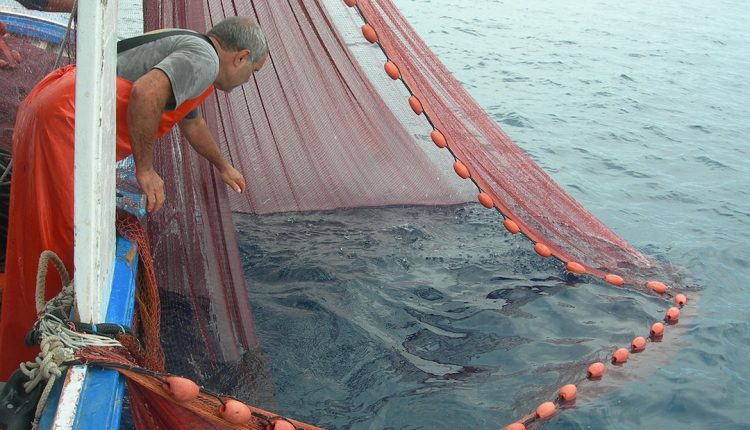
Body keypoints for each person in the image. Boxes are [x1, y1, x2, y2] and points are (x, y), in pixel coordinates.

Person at [0, 16, 269, 380]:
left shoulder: (192, 49)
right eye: (253, 70)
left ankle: (20, 345)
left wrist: (222, 165)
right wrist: (145, 169)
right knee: (55, 236)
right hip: (63, 122)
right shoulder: (204, 60)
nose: (246, 81)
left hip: (52, 108)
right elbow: (146, 92)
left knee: (35, 227)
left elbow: (191, 122)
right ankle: (29, 357)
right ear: (241, 56)